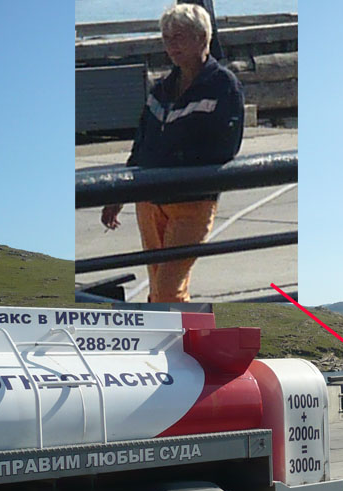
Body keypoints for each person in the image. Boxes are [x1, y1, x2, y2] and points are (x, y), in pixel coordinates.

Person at [101, 3, 244, 302]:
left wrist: (172, 164)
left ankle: (179, 330)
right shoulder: (161, 89)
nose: (171, 45)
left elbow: (225, 147)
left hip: (192, 201)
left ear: (201, 38)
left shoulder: (223, 86)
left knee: (168, 289)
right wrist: (120, 192)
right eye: (166, 38)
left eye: (178, 37)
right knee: (159, 287)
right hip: (149, 200)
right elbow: (141, 144)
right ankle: (171, 331)